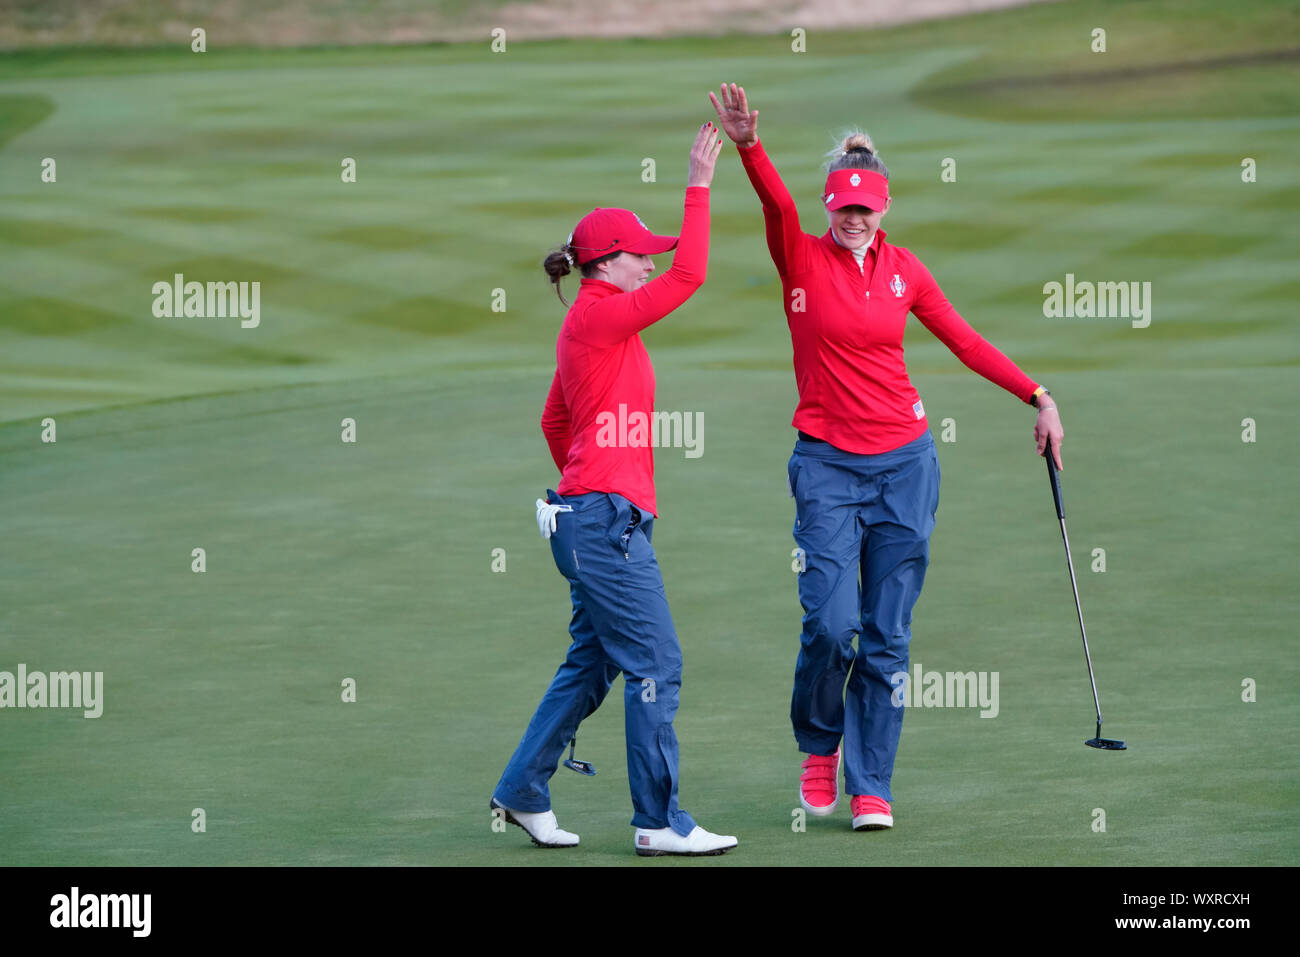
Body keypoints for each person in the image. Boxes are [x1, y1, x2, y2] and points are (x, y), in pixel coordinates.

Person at [708, 83, 1064, 831]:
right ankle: (819, 742)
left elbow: (964, 342)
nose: (854, 217)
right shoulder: (799, 259)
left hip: (907, 465)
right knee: (833, 627)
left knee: (889, 635)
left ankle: (873, 784)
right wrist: (748, 144)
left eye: (866, 206)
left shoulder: (907, 270)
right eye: (843, 205)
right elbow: (774, 204)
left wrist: (1037, 394)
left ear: (885, 206)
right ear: (829, 204)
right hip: (828, 467)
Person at [489, 122, 737, 857]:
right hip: (602, 521)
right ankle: (657, 822)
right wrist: (698, 183)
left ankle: (524, 788)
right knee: (656, 664)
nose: (648, 265)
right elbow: (691, 274)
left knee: (593, 663)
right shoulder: (600, 312)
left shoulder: (595, 324)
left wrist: (587, 476)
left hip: (590, 514)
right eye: (640, 256)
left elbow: (552, 417)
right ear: (609, 263)